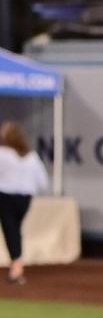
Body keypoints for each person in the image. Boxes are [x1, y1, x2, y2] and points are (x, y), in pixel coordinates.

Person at [0, 122, 49, 284]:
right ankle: (17, 263)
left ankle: (16, 267)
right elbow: (43, 182)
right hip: (25, 199)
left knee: (10, 230)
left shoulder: (3, 154)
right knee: (15, 230)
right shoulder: (31, 156)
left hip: (6, 197)